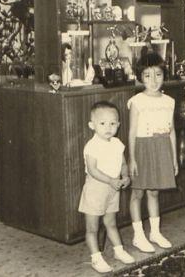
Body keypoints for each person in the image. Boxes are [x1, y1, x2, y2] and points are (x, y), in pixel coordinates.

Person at [128, 52, 178, 252]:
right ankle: (138, 235)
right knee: (138, 192)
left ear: (164, 75)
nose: (153, 80)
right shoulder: (137, 101)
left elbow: (172, 131)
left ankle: (155, 232)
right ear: (140, 78)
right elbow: (132, 132)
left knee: (154, 191)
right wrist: (132, 159)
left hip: (161, 147)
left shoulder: (169, 101)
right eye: (147, 76)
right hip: (142, 148)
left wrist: (174, 159)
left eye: (158, 74)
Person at [78, 101, 135, 274]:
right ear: (92, 125)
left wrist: (125, 176)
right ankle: (96, 257)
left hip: (112, 189)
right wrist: (111, 180)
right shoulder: (92, 146)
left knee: (111, 222)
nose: (108, 127)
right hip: (96, 189)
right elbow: (93, 170)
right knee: (92, 227)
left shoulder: (117, 143)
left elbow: (123, 163)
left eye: (112, 123)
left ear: (118, 124)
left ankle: (118, 250)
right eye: (102, 123)